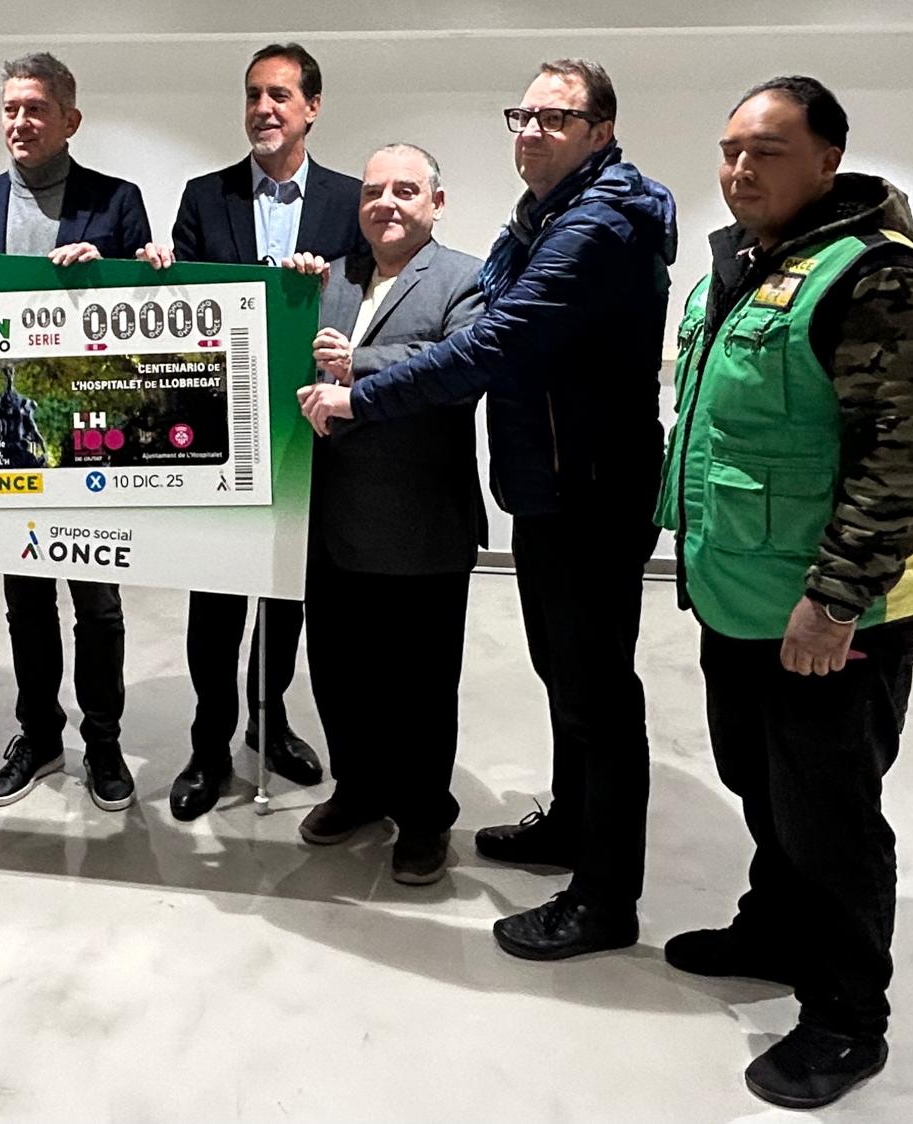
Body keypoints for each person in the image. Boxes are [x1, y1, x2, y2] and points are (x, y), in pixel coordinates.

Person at [298, 59, 675, 958]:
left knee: (597, 699)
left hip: (588, 486)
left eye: (555, 117)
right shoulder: (539, 222)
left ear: (600, 130)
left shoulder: (595, 224)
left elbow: (493, 342)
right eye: (524, 115)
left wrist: (363, 390)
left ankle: (605, 898)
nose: (532, 130)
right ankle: (570, 829)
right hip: (548, 488)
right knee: (569, 685)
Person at [655, 76, 913, 1109]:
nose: (741, 168)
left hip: (833, 614)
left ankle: (844, 1014)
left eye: (768, 150)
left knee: (831, 814)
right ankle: (773, 926)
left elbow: (903, 460)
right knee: (756, 774)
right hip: (737, 591)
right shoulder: (734, 270)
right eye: (731, 148)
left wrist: (833, 599)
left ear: (828, 160)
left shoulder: (876, 278)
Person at [138, 42, 368, 823]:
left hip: (310, 434)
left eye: (279, 95)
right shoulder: (205, 199)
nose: (263, 109)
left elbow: (371, 302)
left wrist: (326, 290)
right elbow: (179, 321)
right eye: (252, 96)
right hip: (217, 436)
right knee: (217, 600)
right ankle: (210, 744)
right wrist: (160, 270)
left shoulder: (349, 200)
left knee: (286, 593)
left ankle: (270, 722)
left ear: (312, 106)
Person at [0, 52, 150, 812]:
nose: (20, 122)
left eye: (35, 109)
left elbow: (142, 323)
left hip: (85, 435)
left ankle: (106, 739)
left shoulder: (118, 202)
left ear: (70, 120)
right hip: (7, 439)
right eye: (10, 109)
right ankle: (38, 733)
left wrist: (116, 266)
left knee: (99, 604)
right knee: (24, 601)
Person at [288, 143, 483, 884]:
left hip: (420, 523)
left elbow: (461, 367)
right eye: (374, 191)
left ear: (436, 202)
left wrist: (357, 367)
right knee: (340, 671)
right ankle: (360, 789)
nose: (387, 203)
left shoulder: (465, 276)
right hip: (330, 522)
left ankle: (425, 814)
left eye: (406, 190)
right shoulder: (330, 278)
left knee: (421, 685)